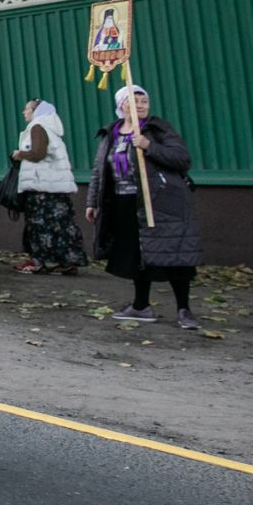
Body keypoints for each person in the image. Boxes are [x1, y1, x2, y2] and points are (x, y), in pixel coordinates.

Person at [88, 85, 202, 328]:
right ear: (122, 105)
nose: (140, 105)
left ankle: (184, 310)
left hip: (161, 202)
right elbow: (100, 171)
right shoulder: (111, 134)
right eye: (134, 100)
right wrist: (92, 202)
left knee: (174, 255)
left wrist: (149, 146)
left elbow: (182, 158)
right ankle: (141, 306)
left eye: (144, 101)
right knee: (138, 255)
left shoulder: (158, 130)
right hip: (124, 202)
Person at [12, 98, 85, 275]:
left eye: (27, 109)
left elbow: (37, 153)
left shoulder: (38, 127)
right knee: (61, 225)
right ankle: (67, 261)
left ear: (36, 112)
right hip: (56, 185)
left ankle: (39, 261)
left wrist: (19, 154)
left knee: (40, 225)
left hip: (42, 186)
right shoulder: (50, 129)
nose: (24, 112)